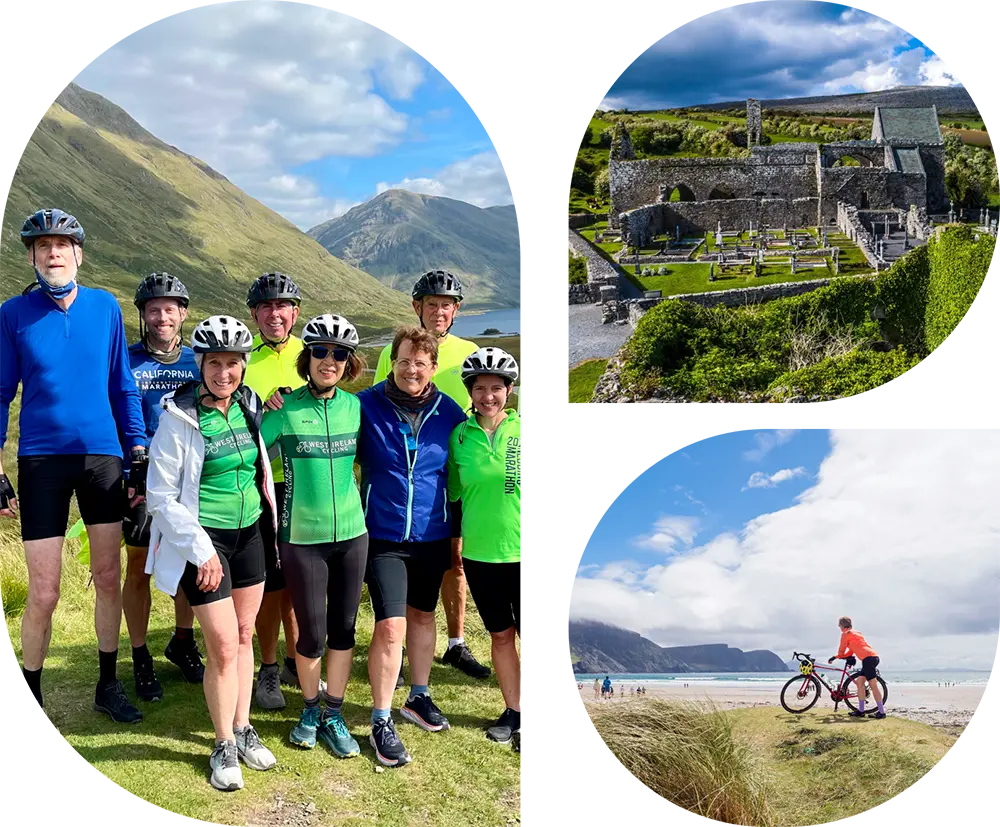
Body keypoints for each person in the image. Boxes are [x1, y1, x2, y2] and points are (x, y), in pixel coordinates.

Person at [0, 209, 146, 723]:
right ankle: (29, 690)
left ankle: (108, 685)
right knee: (45, 590)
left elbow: (122, 385)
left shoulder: (106, 308)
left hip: (101, 458)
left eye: (62, 245)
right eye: (43, 247)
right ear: (33, 257)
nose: (53, 253)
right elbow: (0, 394)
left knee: (108, 575)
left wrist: (139, 453)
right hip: (40, 460)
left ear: (78, 254)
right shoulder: (13, 314)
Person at [145, 315, 279, 791]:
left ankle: (242, 728)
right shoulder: (178, 417)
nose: (225, 372)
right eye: (215, 362)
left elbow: (258, 468)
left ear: (244, 366)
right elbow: (160, 496)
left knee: (244, 635)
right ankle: (222, 743)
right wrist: (201, 551)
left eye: (233, 363)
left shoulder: (247, 404)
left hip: (250, 537)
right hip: (204, 542)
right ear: (199, 364)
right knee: (223, 646)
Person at [357, 326, 467, 767]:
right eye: (404, 361)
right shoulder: (364, 405)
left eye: (421, 362)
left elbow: (460, 477)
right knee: (389, 626)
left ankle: (418, 696)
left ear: (433, 367)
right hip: (382, 534)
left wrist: (459, 532)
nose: (411, 370)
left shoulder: (451, 413)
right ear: (392, 363)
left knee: (424, 615)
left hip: (433, 534)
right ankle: (380, 718)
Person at [260, 314, 368, 759]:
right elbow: (250, 453)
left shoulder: (356, 407)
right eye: (321, 351)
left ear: (349, 363)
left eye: (339, 353)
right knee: (310, 634)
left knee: (344, 629)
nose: (330, 360)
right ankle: (309, 709)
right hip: (302, 537)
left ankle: (335, 713)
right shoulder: (285, 408)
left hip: (353, 536)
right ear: (308, 358)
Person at [373, 270, 489, 681]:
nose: (439, 311)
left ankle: (456, 643)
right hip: (406, 476)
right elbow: (377, 410)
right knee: (411, 561)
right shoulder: (395, 353)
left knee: (454, 561)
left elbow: (485, 405)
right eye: (431, 303)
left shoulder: (468, 349)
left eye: (446, 304)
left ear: (456, 310)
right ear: (416, 306)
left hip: (453, 472)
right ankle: (404, 645)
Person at [447, 347, 546, 744]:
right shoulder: (459, 437)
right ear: (470, 392)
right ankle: (514, 710)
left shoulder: (528, 433)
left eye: (496, 388)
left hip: (527, 551)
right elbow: (453, 492)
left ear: (510, 390)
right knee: (501, 635)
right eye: (480, 388)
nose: (488, 396)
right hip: (480, 555)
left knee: (535, 640)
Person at [122, 273, 204, 702]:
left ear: (183, 314)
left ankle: (183, 642)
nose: (161, 317)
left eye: (169, 309)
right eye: (153, 309)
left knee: (190, 562)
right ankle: (140, 657)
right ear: (143, 315)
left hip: (188, 483)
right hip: (140, 482)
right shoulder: (126, 360)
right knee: (137, 569)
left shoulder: (197, 361)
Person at [243, 272, 306, 710]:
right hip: (265, 481)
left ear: (295, 312)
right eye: (265, 307)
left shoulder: (314, 352)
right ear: (254, 314)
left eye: (282, 306)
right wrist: (260, 412)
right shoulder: (243, 360)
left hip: (311, 482)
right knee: (270, 582)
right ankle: (267, 669)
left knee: (303, 578)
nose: (274, 313)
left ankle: (295, 660)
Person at [829, 616, 885, 719]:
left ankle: (881, 712)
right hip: (872, 657)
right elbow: (852, 651)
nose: (839, 627)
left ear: (842, 626)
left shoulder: (845, 635)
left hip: (868, 659)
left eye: (839, 625)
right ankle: (861, 711)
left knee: (873, 685)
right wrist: (839, 656)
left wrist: (835, 657)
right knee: (860, 683)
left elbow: (842, 651)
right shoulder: (857, 633)